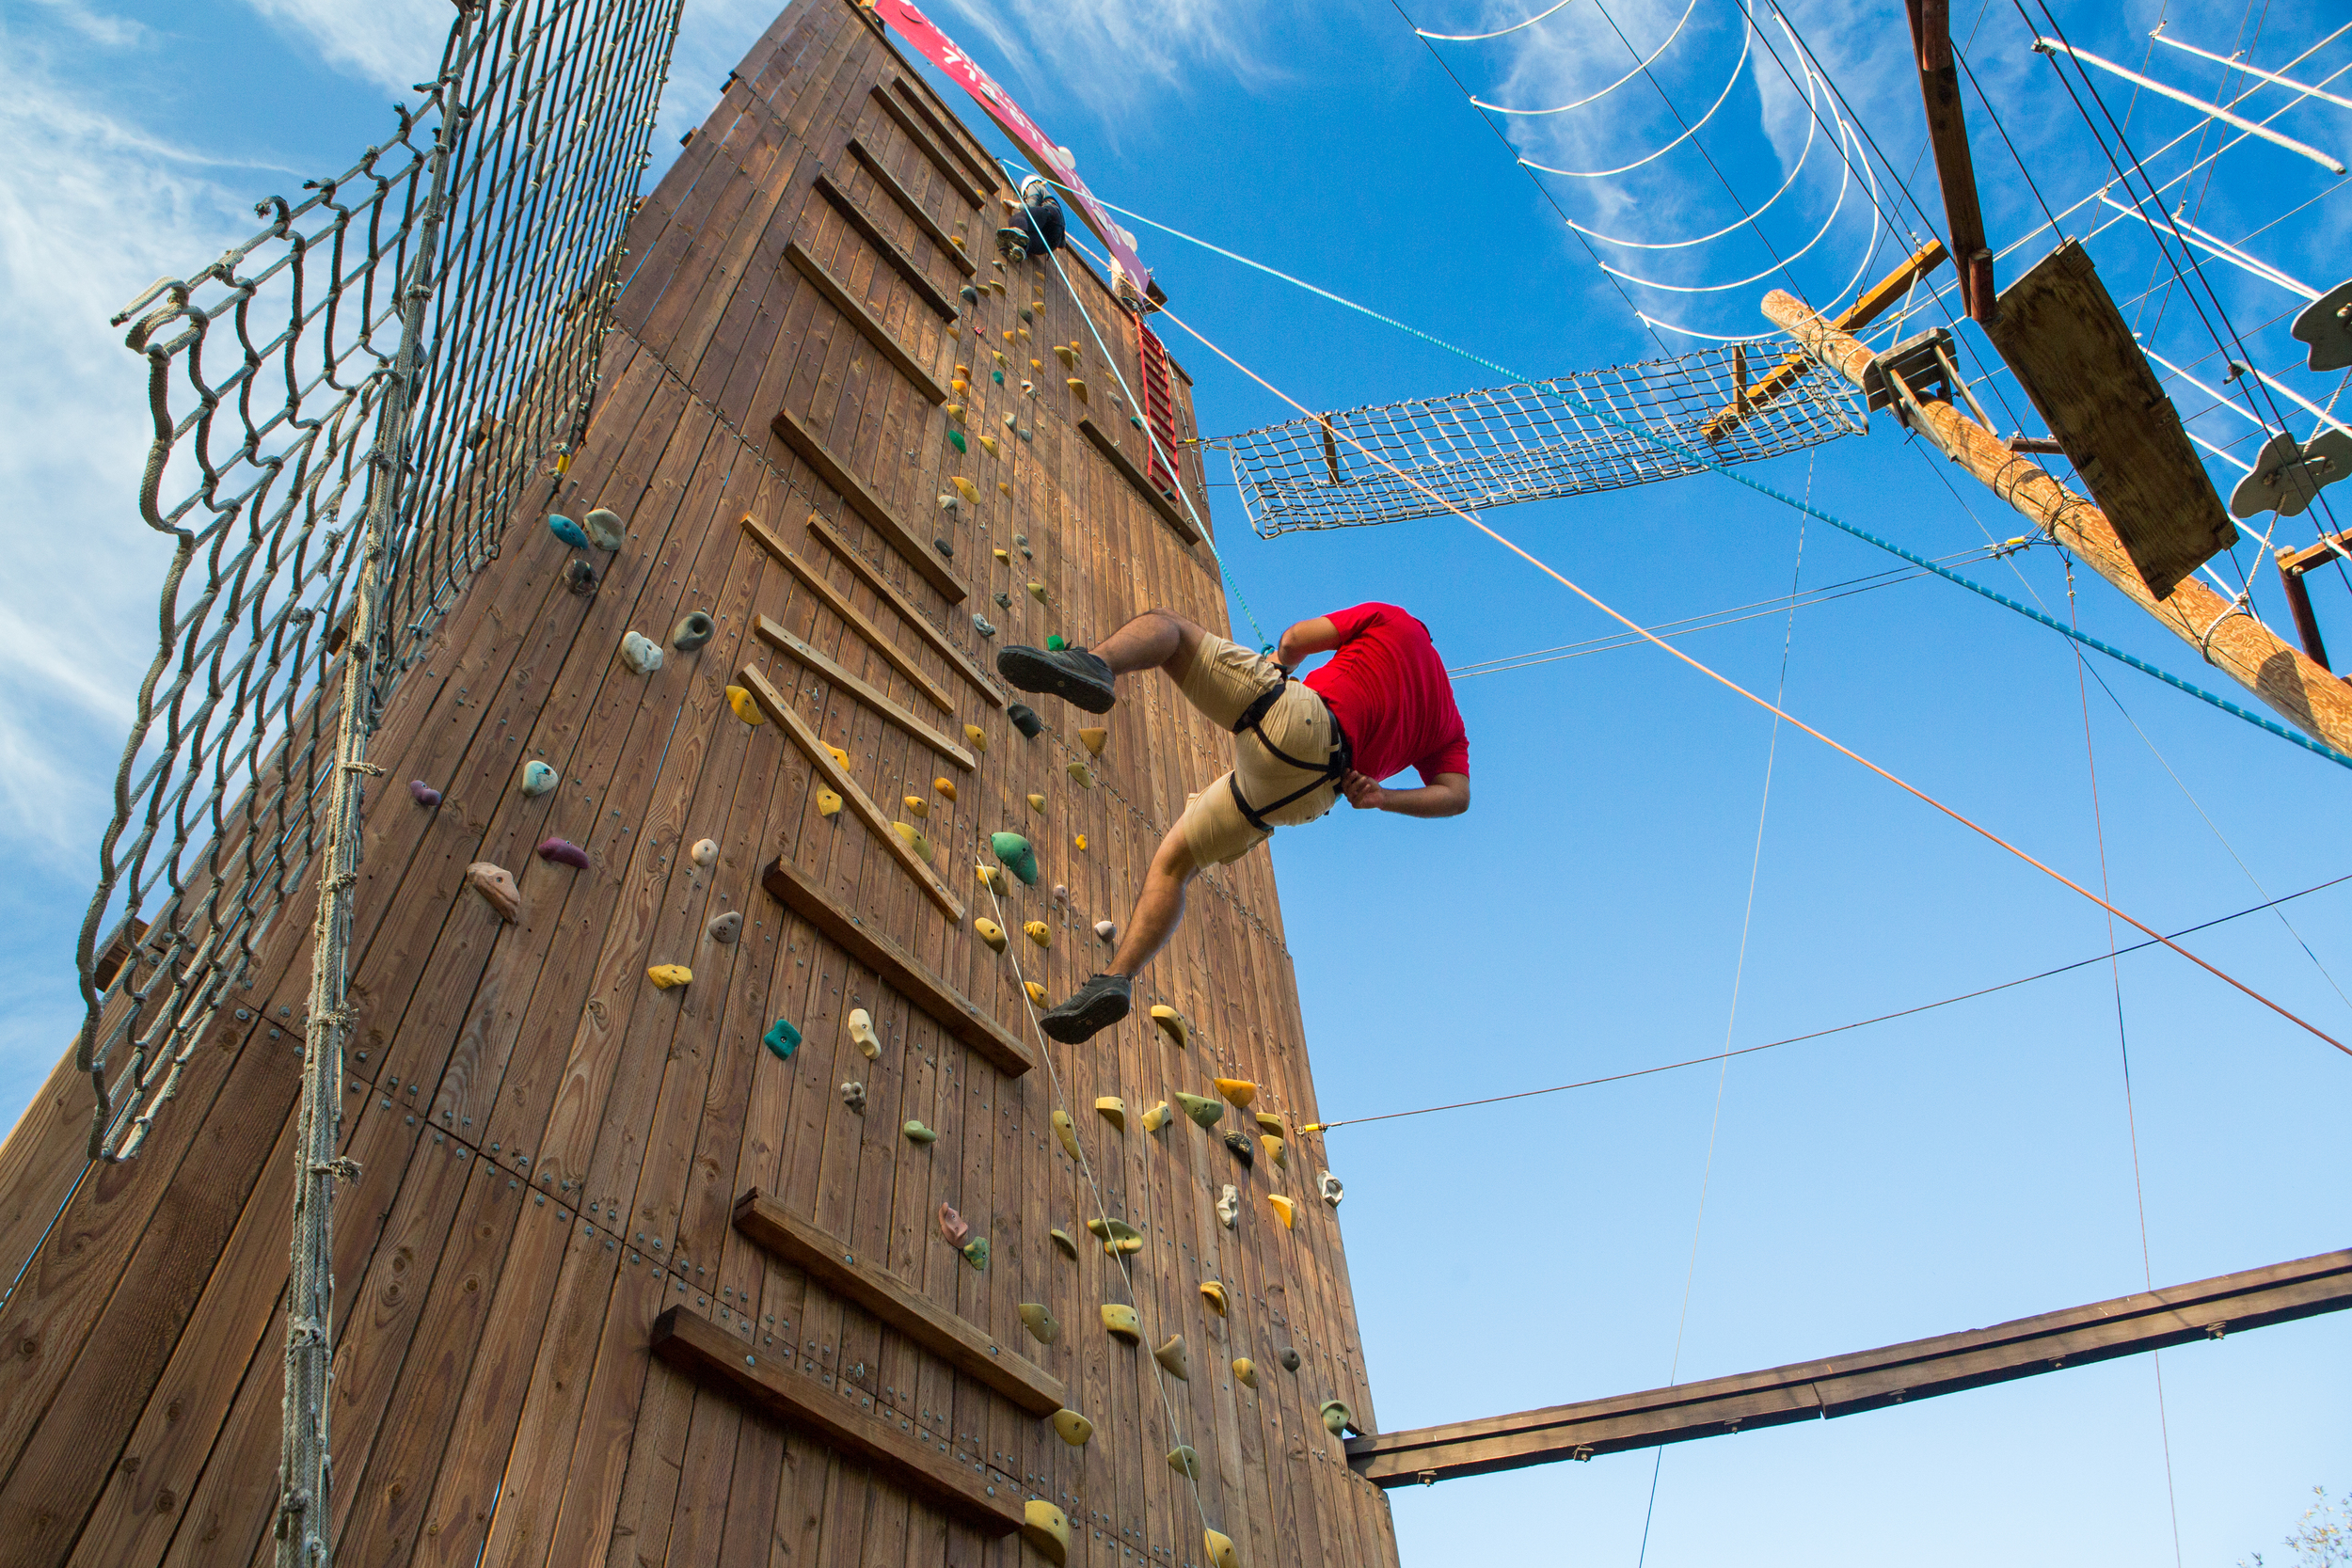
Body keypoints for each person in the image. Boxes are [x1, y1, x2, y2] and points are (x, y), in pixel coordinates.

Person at [997, 604, 1470, 1042]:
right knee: (1176, 864)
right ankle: (1115, 979)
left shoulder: (1393, 620)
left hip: (1298, 722)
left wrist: (1283, 664)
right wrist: (1383, 796)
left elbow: (1294, 639)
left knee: (1172, 629)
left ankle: (1096, 664)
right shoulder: (1448, 719)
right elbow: (1456, 796)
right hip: (1309, 797)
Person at [996, 175, 1066, 262]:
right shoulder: (1049, 198)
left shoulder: (1034, 186)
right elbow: (1062, 244)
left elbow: (1031, 205)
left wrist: (1014, 204)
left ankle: (1018, 231)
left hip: (1049, 214)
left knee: (1018, 218)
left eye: (1026, 197)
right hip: (1049, 244)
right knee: (1027, 239)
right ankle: (1019, 248)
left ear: (1026, 190)